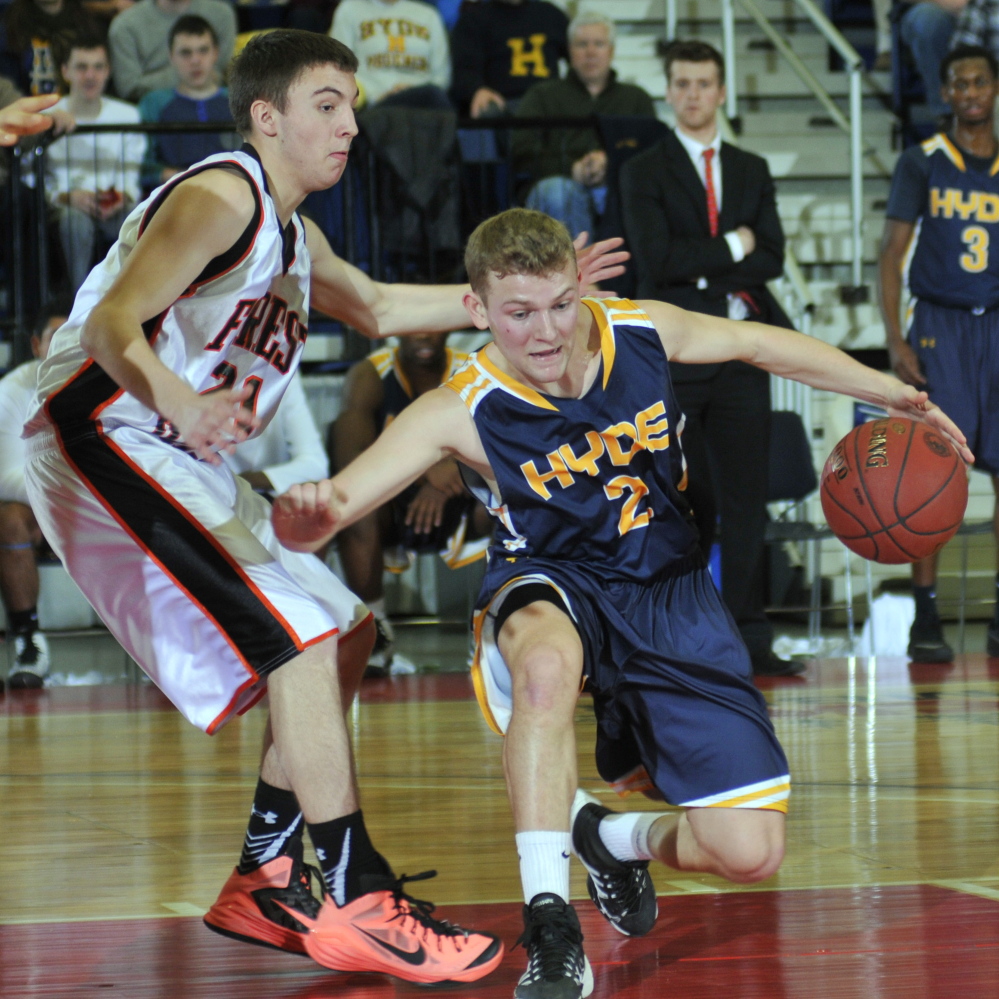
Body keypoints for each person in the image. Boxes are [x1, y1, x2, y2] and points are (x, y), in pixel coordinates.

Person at [22, 30, 625, 986]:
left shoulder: (295, 236)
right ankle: (354, 893)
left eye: (351, 104)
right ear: (268, 119)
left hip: (170, 445)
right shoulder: (223, 194)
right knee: (298, 638)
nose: (350, 123)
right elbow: (108, 321)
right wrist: (181, 402)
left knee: (342, 627)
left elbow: (382, 308)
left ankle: (270, 872)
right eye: (328, 106)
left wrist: (522, 302)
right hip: (105, 428)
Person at [272, 207, 973, 999]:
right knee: (543, 666)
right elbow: (341, 496)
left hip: (668, 595)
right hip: (549, 583)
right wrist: (311, 511)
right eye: (518, 313)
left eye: (560, 304)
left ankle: (609, 837)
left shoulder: (636, 330)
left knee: (747, 852)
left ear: (579, 289)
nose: (545, 332)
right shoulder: (458, 405)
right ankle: (551, 926)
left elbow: (757, 344)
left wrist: (896, 396)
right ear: (477, 312)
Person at [619, 40, 799, 677]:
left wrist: (707, 260)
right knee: (677, 498)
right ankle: (674, 634)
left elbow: (771, 255)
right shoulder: (643, 170)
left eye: (704, 83)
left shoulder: (750, 167)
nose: (693, 94)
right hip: (679, 355)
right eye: (682, 83)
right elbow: (658, 260)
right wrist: (731, 245)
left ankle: (750, 635)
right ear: (669, 91)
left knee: (748, 500)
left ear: (722, 91)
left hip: (744, 349)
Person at [879, 43, 999, 662]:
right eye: (959, 83)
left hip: (997, 327)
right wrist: (896, 338)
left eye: (980, 81)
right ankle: (925, 619)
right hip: (941, 326)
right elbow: (891, 255)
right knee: (932, 473)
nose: (970, 92)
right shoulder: (922, 160)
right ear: (946, 93)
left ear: (994, 88)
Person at [330, 331, 490, 675]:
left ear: (448, 328)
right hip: (393, 503)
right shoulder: (370, 375)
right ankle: (376, 636)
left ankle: (495, 632)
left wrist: (450, 473)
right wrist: (423, 470)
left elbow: (506, 447)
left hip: (464, 494)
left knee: (514, 502)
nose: (423, 333)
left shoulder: (472, 369)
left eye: (433, 324)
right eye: (415, 324)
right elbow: (349, 460)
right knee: (353, 505)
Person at [513, 10, 654, 238]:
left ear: (611, 51)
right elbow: (522, 152)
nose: (590, 52)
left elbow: (651, 152)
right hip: (558, 187)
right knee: (558, 192)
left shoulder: (636, 98)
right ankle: (579, 273)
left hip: (617, 185)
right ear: (569, 50)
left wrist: (610, 165)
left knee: (633, 196)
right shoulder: (541, 95)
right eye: (582, 44)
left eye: (599, 44)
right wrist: (572, 169)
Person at [44, 36, 146, 292]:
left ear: (108, 71)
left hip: (112, 204)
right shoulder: (48, 116)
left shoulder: (128, 115)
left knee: (140, 217)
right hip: (64, 206)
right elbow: (32, 177)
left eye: (98, 67)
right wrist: (66, 196)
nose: (90, 75)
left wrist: (121, 196)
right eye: (81, 67)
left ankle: (132, 303)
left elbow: (131, 174)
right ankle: (79, 304)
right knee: (75, 221)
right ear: (65, 71)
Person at [0, 306, 66, 690]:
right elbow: (4, 477)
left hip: (90, 503)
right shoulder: (11, 390)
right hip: (39, 504)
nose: (62, 347)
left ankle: (164, 642)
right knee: (7, 518)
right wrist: (64, 495)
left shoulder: (106, 380)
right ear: (36, 344)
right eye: (54, 337)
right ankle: (28, 639)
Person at [138, 15, 236, 190]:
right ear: (171, 57)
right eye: (185, 52)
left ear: (216, 53)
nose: (195, 60)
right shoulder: (153, 103)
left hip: (234, 193)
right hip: (174, 194)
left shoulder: (238, 101)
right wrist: (174, 176)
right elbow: (142, 164)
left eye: (203, 50)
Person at [450, 0, 568, 118]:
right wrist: (477, 90)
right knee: (486, 110)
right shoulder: (474, 19)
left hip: (550, 102)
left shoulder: (550, 14)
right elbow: (464, 70)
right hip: (503, 103)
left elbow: (577, 56)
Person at [223, 370, 328, 501]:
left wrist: (243, 482)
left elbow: (316, 464)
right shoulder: (199, 368)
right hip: (212, 498)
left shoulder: (285, 371)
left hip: (263, 500)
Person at [329, 0, 452, 109]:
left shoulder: (429, 15)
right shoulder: (350, 9)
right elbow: (340, 68)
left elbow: (441, 78)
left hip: (423, 101)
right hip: (371, 104)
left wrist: (410, 91)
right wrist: (373, 95)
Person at [108, 0, 235, 101]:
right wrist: (186, 74)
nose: (195, 60)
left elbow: (222, 74)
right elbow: (129, 88)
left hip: (215, 106)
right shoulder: (124, 26)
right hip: (149, 115)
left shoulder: (222, 14)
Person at [0, 0, 99, 96]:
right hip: (28, 108)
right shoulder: (10, 27)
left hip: (79, 108)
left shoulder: (87, 24)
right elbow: (9, 87)